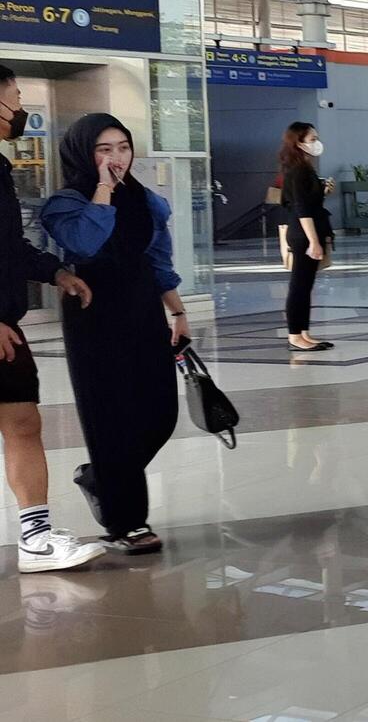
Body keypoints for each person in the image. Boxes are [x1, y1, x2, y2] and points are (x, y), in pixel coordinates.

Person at [41, 114, 185, 555]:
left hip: (141, 305)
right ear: (85, 154)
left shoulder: (149, 202)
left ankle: (101, 477)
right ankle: (127, 522)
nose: (117, 158)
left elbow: (159, 258)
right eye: (105, 150)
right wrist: (103, 190)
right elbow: (84, 244)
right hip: (93, 310)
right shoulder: (64, 204)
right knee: (110, 415)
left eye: (123, 148)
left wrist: (177, 312)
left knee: (160, 411)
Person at [0, 67, 102, 573]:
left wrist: (55, 272)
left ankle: (35, 537)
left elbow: (7, 248)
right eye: (15, 98)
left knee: (22, 422)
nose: (20, 109)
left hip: (5, 320)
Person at [280, 122, 334, 351]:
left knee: (306, 285)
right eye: (312, 139)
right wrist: (313, 241)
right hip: (303, 235)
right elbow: (301, 208)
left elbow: (305, 201)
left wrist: (322, 191)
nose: (317, 143)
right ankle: (295, 335)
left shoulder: (304, 168)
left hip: (309, 231)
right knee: (299, 286)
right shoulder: (298, 170)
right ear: (299, 142)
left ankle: (304, 332)